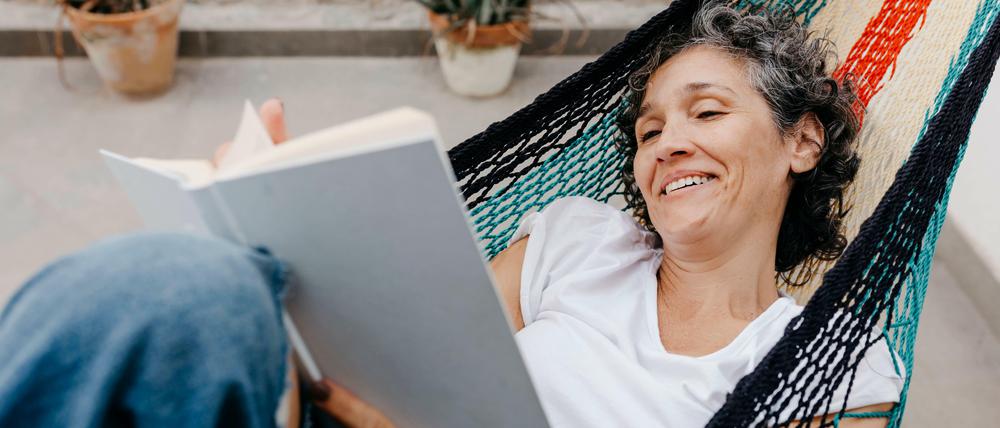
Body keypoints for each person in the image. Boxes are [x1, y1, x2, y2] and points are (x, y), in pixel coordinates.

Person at [0, 4, 904, 428]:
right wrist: (283, 220)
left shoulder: (831, 362)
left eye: (706, 113)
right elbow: (414, 355)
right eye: (649, 130)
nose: (668, 144)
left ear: (801, 142)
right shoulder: (578, 240)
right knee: (181, 286)